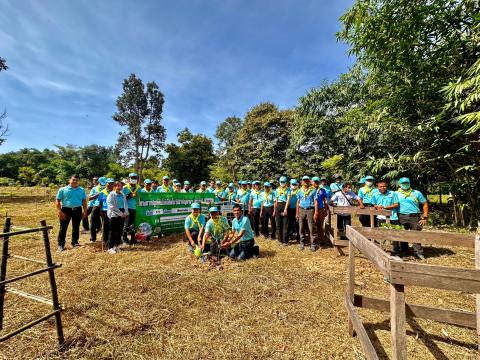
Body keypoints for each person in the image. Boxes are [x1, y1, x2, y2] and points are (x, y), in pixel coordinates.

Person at [396, 177, 428, 259]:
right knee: (403, 235)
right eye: (403, 183)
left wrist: (425, 217)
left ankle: (418, 253)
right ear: (400, 184)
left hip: (415, 217)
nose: (405, 185)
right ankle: (404, 252)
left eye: (407, 183)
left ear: (410, 183)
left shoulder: (417, 193)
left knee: (416, 235)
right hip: (401, 216)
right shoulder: (396, 193)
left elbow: (425, 204)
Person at [55, 175, 87, 252]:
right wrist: (59, 211)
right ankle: (61, 244)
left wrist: (85, 211)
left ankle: (75, 242)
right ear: (69, 180)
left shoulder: (81, 190)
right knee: (63, 227)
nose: (75, 181)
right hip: (65, 210)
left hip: (77, 210)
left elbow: (84, 201)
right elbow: (58, 201)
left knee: (76, 227)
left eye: (76, 180)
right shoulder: (63, 189)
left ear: (78, 181)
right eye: (73, 179)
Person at [372, 180, 400, 253]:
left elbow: (396, 204)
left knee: (394, 234)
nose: (382, 188)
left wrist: (385, 207)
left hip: (393, 217)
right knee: (382, 234)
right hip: (381, 217)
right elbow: (374, 204)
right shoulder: (375, 194)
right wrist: (377, 206)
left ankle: (395, 251)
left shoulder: (392, 193)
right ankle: (383, 250)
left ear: (386, 186)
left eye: (384, 186)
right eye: (380, 186)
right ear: (377, 187)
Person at [296, 176, 318, 251]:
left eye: (307, 180)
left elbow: (315, 202)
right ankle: (302, 243)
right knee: (301, 227)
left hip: (310, 210)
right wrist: (297, 213)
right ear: (302, 182)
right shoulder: (299, 191)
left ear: (309, 181)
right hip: (301, 210)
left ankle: (313, 244)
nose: (305, 182)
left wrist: (316, 212)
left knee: (311, 228)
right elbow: (298, 202)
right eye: (304, 180)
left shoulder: (313, 190)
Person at [107, 181, 128, 254]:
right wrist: (120, 213)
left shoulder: (123, 195)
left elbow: (125, 205)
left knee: (119, 231)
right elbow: (111, 206)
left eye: (121, 186)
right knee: (112, 232)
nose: (119, 187)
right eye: (118, 186)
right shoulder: (111, 195)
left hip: (122, 214)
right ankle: (110, 248)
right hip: (114, 214)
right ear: (114, 187)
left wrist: (125, 213)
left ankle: (116, 246)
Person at [122, 173, 140, 246]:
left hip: (136, 208)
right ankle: (124, 239)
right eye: (132, 178)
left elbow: (142, 198)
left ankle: (133, 238)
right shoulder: (125, 188)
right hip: (127, 208)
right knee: (126, 224)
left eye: (135, 178)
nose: (134, 179)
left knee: (133, 225)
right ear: (129, 179)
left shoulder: (139, 188)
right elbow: (121, 198)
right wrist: (129, 195)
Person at [87, 176, 106, 242]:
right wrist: (97, 195)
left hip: (105, 208)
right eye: (102, 183)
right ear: (99, 182)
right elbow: (89, 198)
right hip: (96, 207)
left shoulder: (108, 189)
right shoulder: (94, 189)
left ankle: (104, 238)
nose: (103, 185)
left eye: (104, 183)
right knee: (93, 223)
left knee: (105, 223)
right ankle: (93, 238)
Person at [274, 176, 291, 245]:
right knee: (278, 224)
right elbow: (276, 200)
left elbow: (288, 200)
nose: (282, 183)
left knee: (285, 224)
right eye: (281, 182)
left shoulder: (288, 190)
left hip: (285, 206)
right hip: (278, 206)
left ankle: (285, 241)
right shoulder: (277, 190)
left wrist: (285, 209)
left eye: (283, 182)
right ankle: (280, 240)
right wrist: (275, 209)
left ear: (286, 182)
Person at [98, 178, 114, 245]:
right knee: (105, 226)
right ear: (106, 183)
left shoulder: (115, 192)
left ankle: (112, 239)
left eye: (111, 183)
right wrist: (100, 211)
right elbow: (100, 202)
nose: (110, 185)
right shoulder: (102, 192)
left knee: (112, 226)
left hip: (113, 211)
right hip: (105, 211)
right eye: (109, 183)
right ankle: (105, 239)